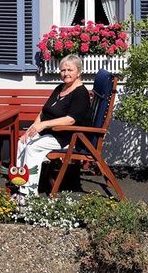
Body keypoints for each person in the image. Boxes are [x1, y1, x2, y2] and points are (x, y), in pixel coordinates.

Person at [15, 54, 90, 197]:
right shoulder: (60, 88)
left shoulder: (81, 93)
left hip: (69, 137)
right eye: (63, 70)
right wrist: (31, 129)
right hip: (53, 133)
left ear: (78, 72)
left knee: (32, 147)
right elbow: (44, 112)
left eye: (70, 70)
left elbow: (70, 120)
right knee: (22, 142)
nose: (65, 73)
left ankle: (28, 194)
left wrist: (43, 125)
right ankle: (20, 185)